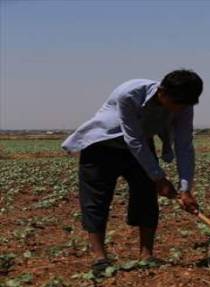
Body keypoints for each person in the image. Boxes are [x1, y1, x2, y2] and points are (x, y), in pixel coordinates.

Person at [61, 69, 202, 275]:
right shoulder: (129, 94)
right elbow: (133, 139)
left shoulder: (184, 106)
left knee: (146, 197)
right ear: (161, 92)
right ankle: (100, 258)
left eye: (184, 106)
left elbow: (184, 145)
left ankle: (147, 255)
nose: (178, 110)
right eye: (176, 104)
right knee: (96, 200)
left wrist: (186, 188)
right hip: (103, 145)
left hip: (140, 145)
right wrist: (159, 178)